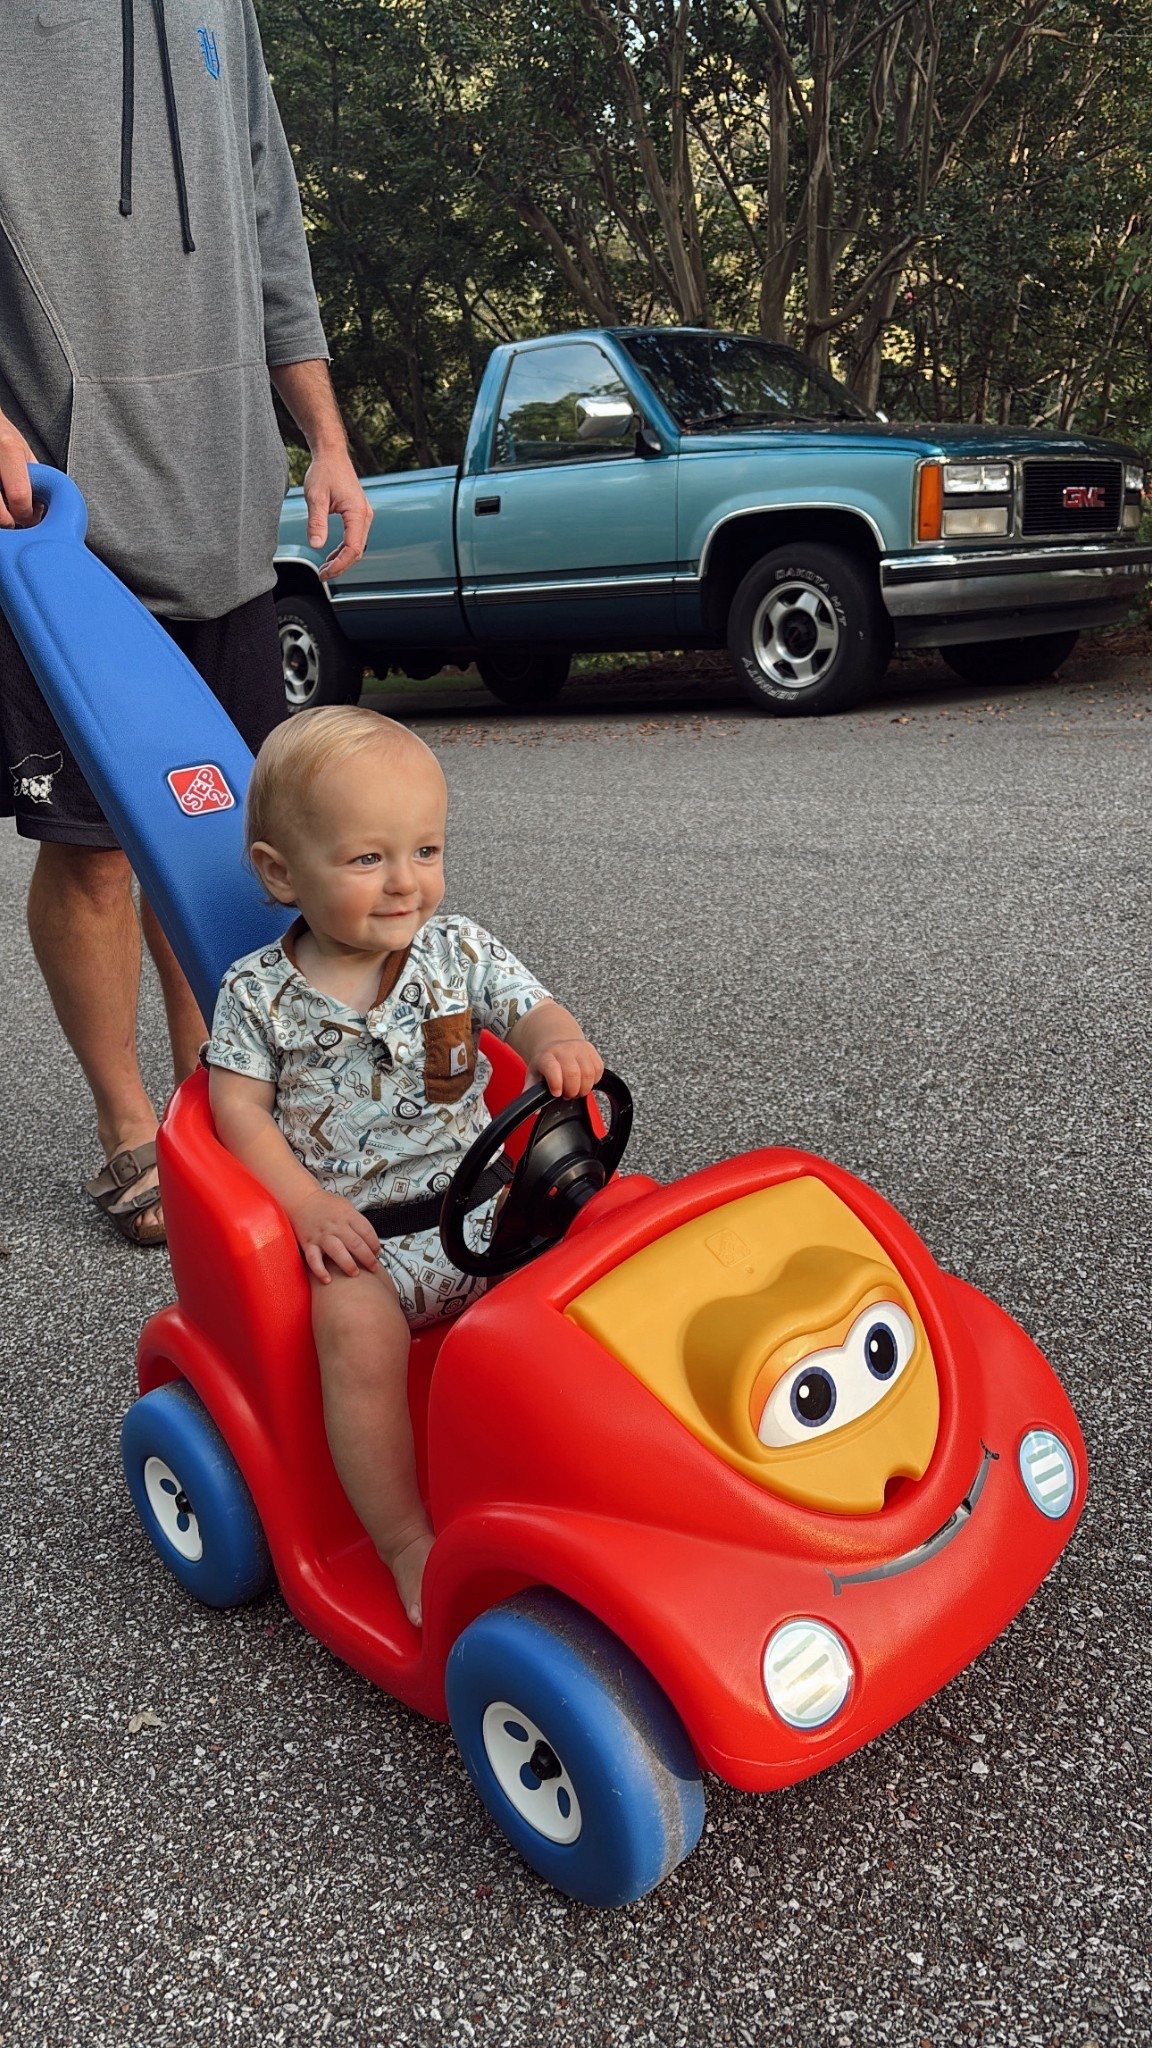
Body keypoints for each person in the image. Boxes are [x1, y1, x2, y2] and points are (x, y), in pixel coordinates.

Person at [0, 0, 371, 1243]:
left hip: (222, 483)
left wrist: (322, 430)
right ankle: (126, 1128)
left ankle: (223, 1104)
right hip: (53, 500)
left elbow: (268, 209)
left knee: (221, 824)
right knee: (101, 847)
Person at [204, 708, 604, 1625]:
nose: (404, 884)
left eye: (425, 850)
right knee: (351, 1332)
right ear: (279, 873)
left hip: (490, 1211)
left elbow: (530, 1008)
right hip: (366, 1245)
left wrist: (560, 1041)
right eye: (366, 859)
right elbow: (237, 1113)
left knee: (604, 1256)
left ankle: (589, 1466)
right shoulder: (258, 995)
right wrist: (303, 1205)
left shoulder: (456, 949)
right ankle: (403, 1541)